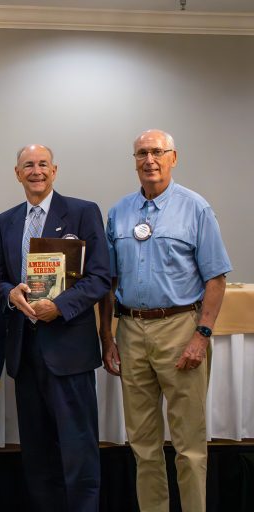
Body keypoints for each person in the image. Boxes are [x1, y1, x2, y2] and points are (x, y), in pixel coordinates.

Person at [99, 129, 231, 512]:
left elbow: (216, 279)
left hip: (180, 329)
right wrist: (107, 338)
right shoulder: (119, 212)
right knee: (142, 444)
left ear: (174, 157)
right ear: (134, 160)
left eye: (157, 152)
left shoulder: (196, 208)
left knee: (189, 446)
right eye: (141, 153)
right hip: (131, 331)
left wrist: (201, 336)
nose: (149, 160)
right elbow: (108, 283)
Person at [0, 144, 110, 512]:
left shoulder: (82, 212)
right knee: (37, 453)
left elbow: (101, 276)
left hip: (68, 352)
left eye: (43, 164)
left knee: (77, 449)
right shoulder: (6, 221)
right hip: (25, 352)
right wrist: (14, 295)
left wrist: (60, 307)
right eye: (28, 165)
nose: (36, 171)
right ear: (17, 173)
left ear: (54, 170)